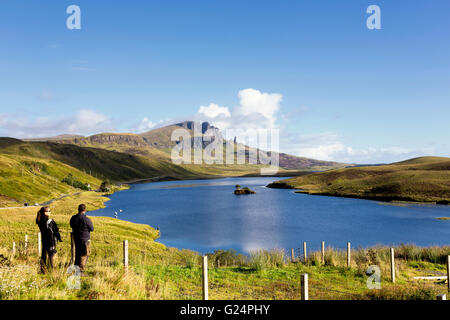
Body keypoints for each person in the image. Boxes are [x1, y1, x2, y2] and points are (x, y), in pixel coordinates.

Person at [35, 207, 62, 273]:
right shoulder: (48, 221)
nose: (50, 212)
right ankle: (51, 270)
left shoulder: (40, 219)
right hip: (49, 239)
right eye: (49, 211)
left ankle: (43, 269)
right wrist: (52, 243)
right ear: (45, 212)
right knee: (51, 255)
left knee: (44, 254)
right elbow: (50, 233)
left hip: (44, 238)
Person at [70, 204, 94, 274]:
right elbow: (92, 228)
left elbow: (71, 225)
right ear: (85, 210)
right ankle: (81, 271)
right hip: (85, 239)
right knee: (84, 254)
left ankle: (76, 269)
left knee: (77, 253)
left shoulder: (73, 218)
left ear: (78, 209)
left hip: (76, 238)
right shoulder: (86, 219)